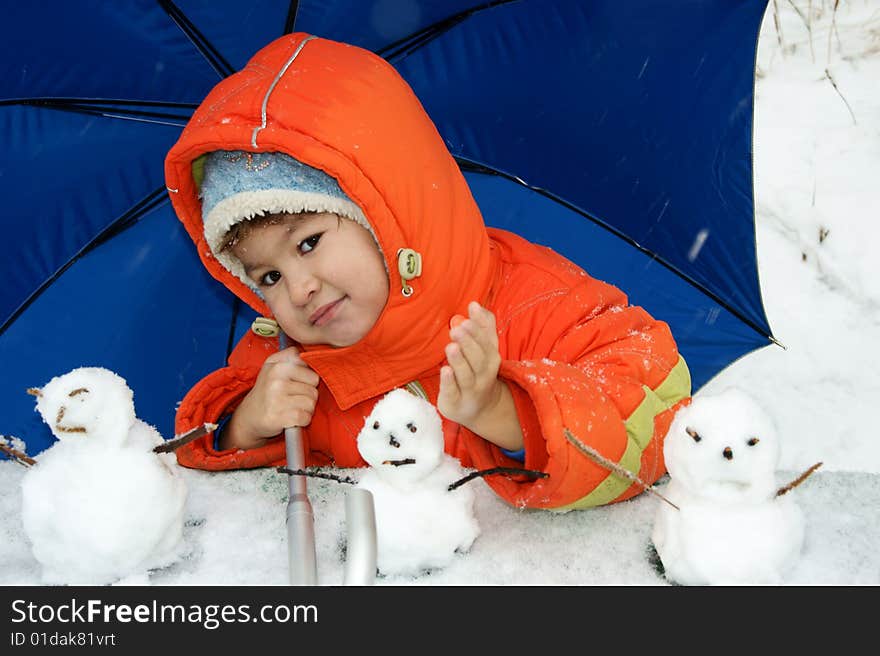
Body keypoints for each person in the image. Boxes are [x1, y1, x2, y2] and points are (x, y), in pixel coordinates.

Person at [165, 33, 691, 511]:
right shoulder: (293, 364)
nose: (298, 290)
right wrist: (247, 424)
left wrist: (503, 411)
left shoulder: (538, 303)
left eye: (308, 242)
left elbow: (657, 402)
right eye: (267, 278)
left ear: (384, 215)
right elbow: (210, 449)